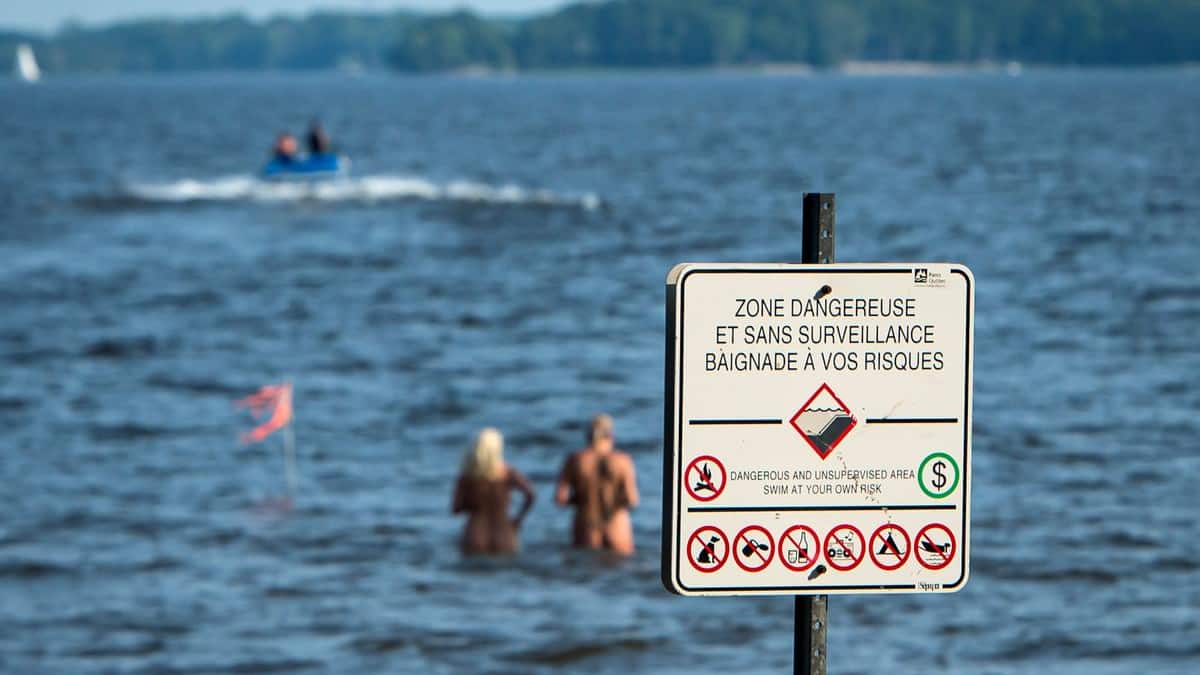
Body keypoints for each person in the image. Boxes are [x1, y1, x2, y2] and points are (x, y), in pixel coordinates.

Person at [555, 414, 639, 555]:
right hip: (617, 525)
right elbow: (632, 499)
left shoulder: (575, 460)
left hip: (586, 524)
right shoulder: (623, 461)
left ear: (588, 436)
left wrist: (580, 500)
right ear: (610, 435)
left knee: (585, 570)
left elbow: (560, 499)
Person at [451, 427, 535, 555]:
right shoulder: (507, 472)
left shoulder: (467, 476)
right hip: (505, 535)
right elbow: (531, 495)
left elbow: (456, 509)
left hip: (475, 535)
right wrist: (518, 520)